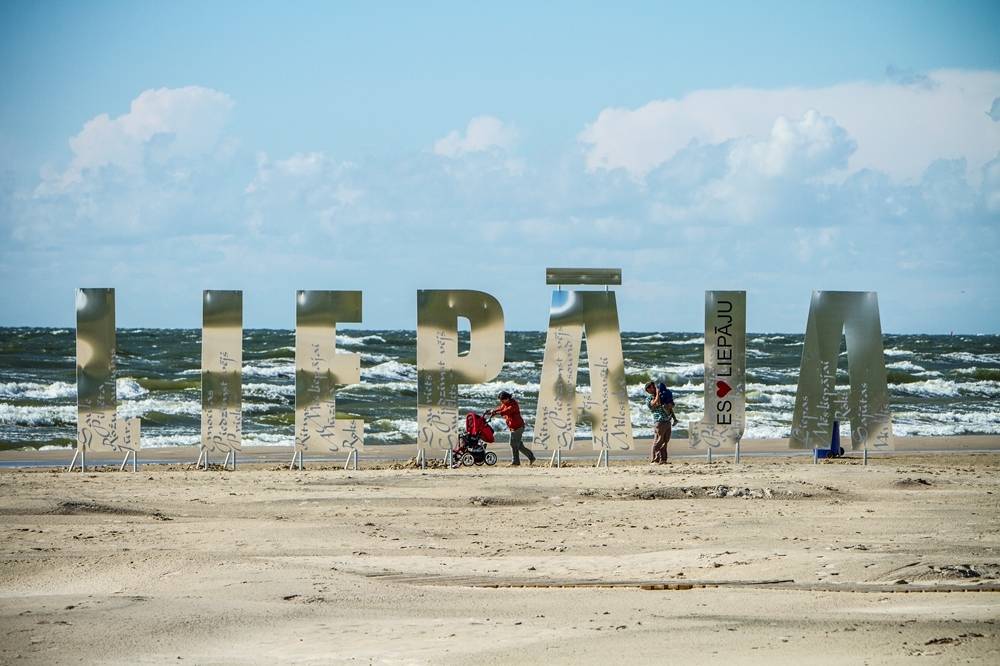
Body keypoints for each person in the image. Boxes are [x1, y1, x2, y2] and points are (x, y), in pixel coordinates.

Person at [486, 391, 535, 466]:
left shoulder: (513, 404)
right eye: (500, 400)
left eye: (502, 400)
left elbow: (506, 411)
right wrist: (493, 411)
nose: (501, 402)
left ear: (507, 398)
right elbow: (501, 408)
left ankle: (516, 462)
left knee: (512, 443)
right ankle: (531, 457)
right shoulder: (505, 403)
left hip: (518, 427)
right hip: (513, 427)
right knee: (519, 445)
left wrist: (496, 413)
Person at [645, 381, 678, 463]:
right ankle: (655, 459)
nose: (653, 389)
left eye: (654, 387)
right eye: (651, 388)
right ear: (648, 390)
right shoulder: (649, 399)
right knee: (659, 441)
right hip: (659, 421)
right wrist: (657, 393)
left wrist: (670, 406)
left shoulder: (662, 396)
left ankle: (663, 459)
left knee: (665, 441)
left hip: (667, 420)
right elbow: (655, 404)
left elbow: (670, 407)